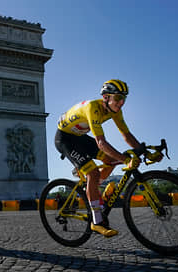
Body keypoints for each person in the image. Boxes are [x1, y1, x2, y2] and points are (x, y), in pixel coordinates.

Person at [54, 79, 162, 237]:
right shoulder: (93, 108)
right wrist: (126, 160)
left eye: (124, 99)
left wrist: (143, 151)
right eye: (118, 98)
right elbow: (101, 143)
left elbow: (126, 135)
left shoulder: (116, 111)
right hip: (65, 139)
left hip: (80, 137)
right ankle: (96, 221)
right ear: (106, 97)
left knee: (111, 161)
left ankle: (93, 190)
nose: (121, 103)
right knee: (93, 172)